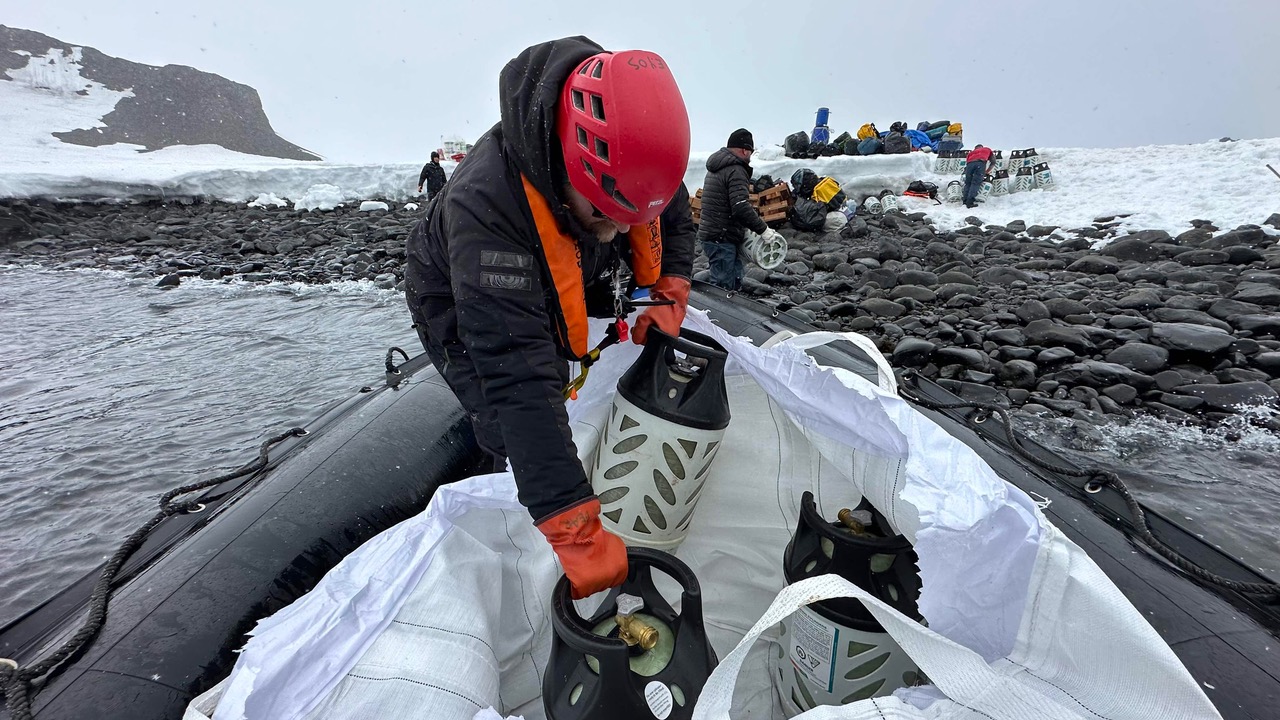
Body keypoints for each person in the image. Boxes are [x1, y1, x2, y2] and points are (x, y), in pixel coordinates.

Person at [402, 37, 694, 600]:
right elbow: (517, 373)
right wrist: (575, 528)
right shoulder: (485, 206)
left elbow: (672, 211)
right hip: (454, 297)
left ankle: (548, 474)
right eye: (603, 216)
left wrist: (670, 284)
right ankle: (504, 540)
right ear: (570, 163)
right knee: (502, 417)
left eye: (625, 218)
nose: (615, 231)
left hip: (559, 252)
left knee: (562, 368)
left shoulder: (635, 147)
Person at [696, 129, 785, 290]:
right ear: (745, 150)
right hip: (722, 237)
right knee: (723, 286)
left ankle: (725, 308)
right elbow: (740, 207)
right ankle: (719, 313)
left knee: (733, 278)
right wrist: (763, 230)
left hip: (713, 233)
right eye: (750, 152)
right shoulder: (735, 169)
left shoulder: (717, 166)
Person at [963, 144, 995, 208]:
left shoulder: (971, 153)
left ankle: (965, 200)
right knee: (976, 183)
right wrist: (987, 171)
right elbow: (993, 162)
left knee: (968, 182)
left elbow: (967, 163)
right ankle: (970, 202)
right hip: (980, 163)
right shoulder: (987, 149)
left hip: (970, 165)